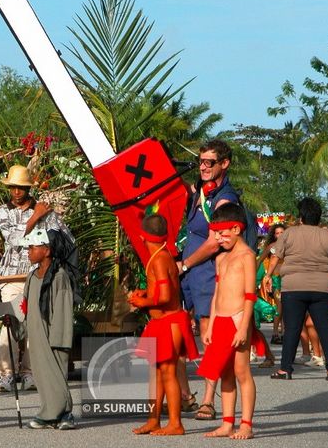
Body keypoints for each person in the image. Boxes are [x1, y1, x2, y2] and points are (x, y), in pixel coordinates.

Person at [0, 165, 72, 393]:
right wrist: (36, 217)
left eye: (21, 187)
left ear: (28, 188)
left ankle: (29, 372)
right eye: (13, 187)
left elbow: (62, 236)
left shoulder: (42, 209)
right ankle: (6, 374)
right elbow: (14, 240)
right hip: (10, 274)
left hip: (35, 273)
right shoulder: (3, 211)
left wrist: (48, 217)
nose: (17, 192)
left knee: (34, 322)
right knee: (10, 319)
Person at [177, 139, 239, 420]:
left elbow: (216, 241)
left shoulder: (225, 198)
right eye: (201, 161)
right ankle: (184, 395)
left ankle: (208, 399)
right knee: (176, 330)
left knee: (208, 334)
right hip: (188, 268)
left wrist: (185, 263)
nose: (203, 167)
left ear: (224, 164)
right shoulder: (199, 190)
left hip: (205, 269)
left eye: (209, 163)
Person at [265, 197, 328, 381]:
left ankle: (285, 369)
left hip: (293, 287)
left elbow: (275, 257)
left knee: (292, 329)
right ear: (318, 218)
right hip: (323, 288)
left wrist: (268, 275)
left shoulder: (289, 234)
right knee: (326, 329)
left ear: (301, 218)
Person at [129, 214, 199, 436]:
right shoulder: (162, 255)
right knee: (158, 373)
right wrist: (147, 293)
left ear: (142, 236)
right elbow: (161, 290)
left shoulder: (159, 259)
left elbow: (166, 295)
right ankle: (154, 420)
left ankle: (176, 423)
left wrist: (143, 301)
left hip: (170, 321)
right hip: (163, 321)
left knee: (168, 372)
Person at [196, 204, 257, 439]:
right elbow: (217, 293)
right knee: (225, 373)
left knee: (242, 371)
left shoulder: (247, 256)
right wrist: (210, 325)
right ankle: (226, 423)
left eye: (222, 234)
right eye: (216, 234)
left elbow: (250, 295)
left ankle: (246, 424)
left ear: (236, 228)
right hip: (219, 319)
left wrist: (243, 327)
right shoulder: (221, 258)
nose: (218, 239)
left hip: (237, 319)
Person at [20, 227, 78, 430]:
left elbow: (62, 309)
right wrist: (17, 324)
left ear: (47, 250)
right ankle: (50, 412)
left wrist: (59, 339)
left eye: (32, 247)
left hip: (54, 335)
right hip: (36, 334)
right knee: (42, 374)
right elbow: (26, 306)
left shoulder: (59, 276)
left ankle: (63, 414)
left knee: (56, 374)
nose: (28, 251)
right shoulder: (31, 276)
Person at [257, 223, 286, 345]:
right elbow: (259, 261)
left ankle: (284, 333)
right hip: (275, 281)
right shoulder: (271, 247)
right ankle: (275, 333)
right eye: (277, 233)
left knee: (285, 307)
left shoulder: (290, 246)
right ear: (274, 235)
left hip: (288, 279)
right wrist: (254, 277)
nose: (279, 235)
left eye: (282, 233)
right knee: (280, 306)